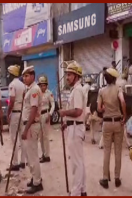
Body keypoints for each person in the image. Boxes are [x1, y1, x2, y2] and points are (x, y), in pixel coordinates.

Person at [58, 61, 87, 196]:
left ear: (76, 76)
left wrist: (64, 113)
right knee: (79, 161)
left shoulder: (77, 90)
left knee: (76, 163)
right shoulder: (75, 90)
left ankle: (75, 192)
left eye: (69, 74)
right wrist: (66, 122)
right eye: (67, 74)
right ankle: (82, 190)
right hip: (73, 127)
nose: (67, 77)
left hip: (76, 129)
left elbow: (78, 111)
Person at [97, 68, 127, 189]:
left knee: (107, 151)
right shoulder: (118, 89)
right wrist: (124, 116)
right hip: (118, 123)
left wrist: (104, 109)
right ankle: (117, 178)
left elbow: (99, 108)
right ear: (115, 79)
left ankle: (105, 178)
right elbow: (123, 102)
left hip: (107, 123)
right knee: (118, 151)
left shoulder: (101, 91)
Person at [21, 66, 43, 194]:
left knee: (33, 155)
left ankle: (37, 182)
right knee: (30, 154)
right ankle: (35, 177)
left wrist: (26, 129)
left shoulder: (34, 89)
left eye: (27, 76)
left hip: (32, 125)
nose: (25, 78)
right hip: (29, 124)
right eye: (24, 76)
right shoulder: (29, 89)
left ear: (33, 76)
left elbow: (33, 110)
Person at [6, 64, 27, 171]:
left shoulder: (12, 85)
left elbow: (12, 100)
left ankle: (14, 163)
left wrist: (8, 113)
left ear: (11, 74)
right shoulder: (23, 85)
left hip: (15, 113)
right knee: (22, 138)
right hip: (22, 112)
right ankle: (23, 162)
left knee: (14, 139)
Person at [37, 75, 55, 163]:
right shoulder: (37, 93)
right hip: (39, 115)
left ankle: (47, 155)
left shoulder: (49, 93)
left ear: (46, 85)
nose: (42, 87)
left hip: (46, 114)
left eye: (44, 85)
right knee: (40, 137)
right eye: (41, 85)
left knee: (46, 137)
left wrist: (50, 114)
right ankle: (43, 154)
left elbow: (53, 105)